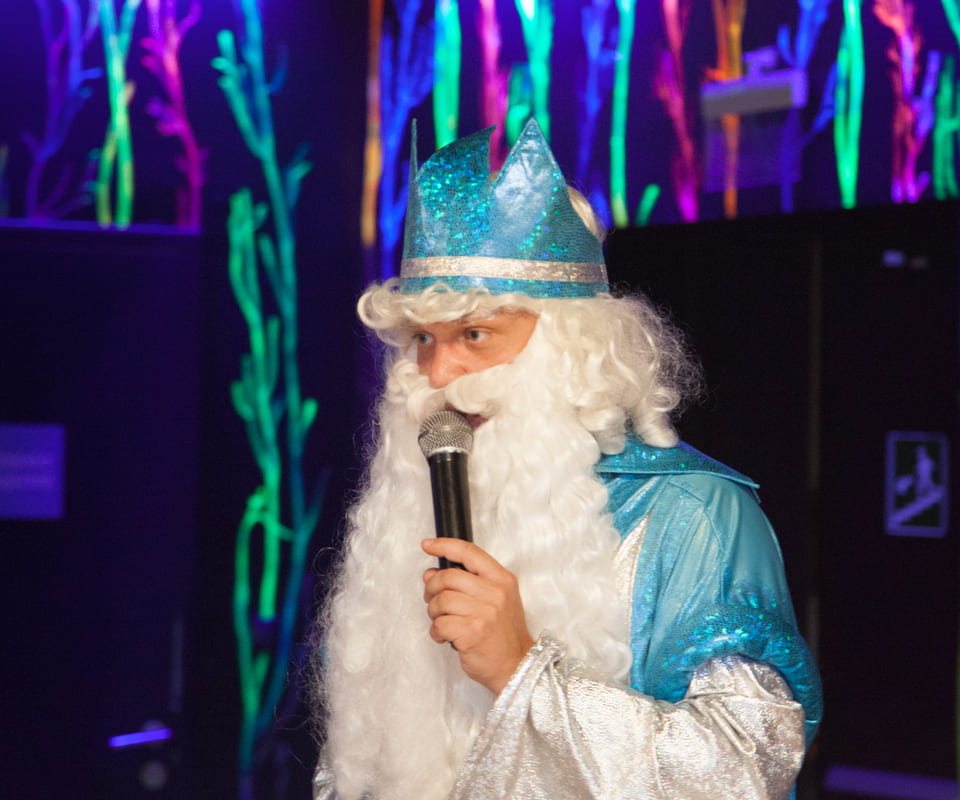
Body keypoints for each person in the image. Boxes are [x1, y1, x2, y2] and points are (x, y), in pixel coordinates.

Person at [313, 120, 822, 800]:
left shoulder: (693, 514)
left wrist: (520, 672)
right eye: (422, 340)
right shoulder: (407, 509)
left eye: (475, 334)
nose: (438, 374)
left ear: (573, 345)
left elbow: (744, 768)